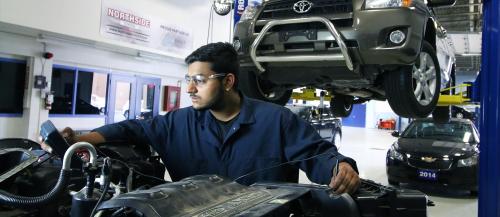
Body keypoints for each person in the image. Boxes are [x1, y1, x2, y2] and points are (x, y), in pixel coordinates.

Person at [52, 42, 360, 194]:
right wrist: (81, 139)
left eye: (199, 80)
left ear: (228, 82)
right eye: (188, 79)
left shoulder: (277, 121)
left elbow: (317, 156)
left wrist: (341, 167)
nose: (189, 88)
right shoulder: (177, 123)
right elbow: (131, 128)